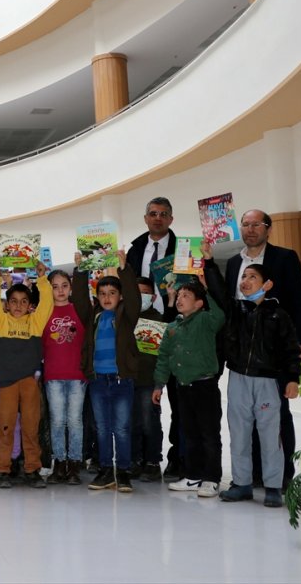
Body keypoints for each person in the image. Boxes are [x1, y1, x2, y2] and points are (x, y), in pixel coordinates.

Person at [224, 209, 301, 485]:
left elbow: (298, 301)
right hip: (242, 353)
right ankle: (253, 476)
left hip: (274, 350)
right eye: (245, 225)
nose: (250, 229)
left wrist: (299, 342)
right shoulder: (234, 262)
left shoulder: (284, 258)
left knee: (277, 415)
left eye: (256, 224)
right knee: (245, 417)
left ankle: (281, 476)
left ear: (267, 228)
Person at [211, 261, 301, 508]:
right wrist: (209, 262)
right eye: (244, 276)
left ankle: (273, 486)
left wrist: (293, 378)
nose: (246, 281)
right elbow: (219, 291)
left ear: (267, 284)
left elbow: (291, 351)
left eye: (252, 277)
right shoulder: (236, 310)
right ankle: (242, 484)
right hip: (238, 379)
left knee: (270, 434)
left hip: (268, 381)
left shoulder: (278, 315)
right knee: (239, 433)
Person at [153, 249, 226, 499]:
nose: (181, 298)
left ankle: (212, 478)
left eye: (187, 295)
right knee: (189, 433)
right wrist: (159, 385)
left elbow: (220, 316)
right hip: (183, 387)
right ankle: (193, 475)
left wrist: (207, 290)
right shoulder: (172, 327)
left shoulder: (206, 320)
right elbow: (163, 358)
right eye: (180, 295)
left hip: (204, 387)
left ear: (199, 303)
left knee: (208, 434)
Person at [125, 196, 182, 481]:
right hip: (141, 333)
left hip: (173, 327)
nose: (158, 218)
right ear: (145, 218)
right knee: (144, 406)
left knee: (179, 407)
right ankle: (141, 459)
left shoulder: (183, 250)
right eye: (153, 213)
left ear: (171, 219)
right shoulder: (136, 249)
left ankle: (175, 460)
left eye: (163, 214)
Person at [73, 250, 139, 493]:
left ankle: (123, 471)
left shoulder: (126, 315)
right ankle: (104, 470)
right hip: (98, 381)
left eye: (112, 293)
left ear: (120, 296)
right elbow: (79, 299)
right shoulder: (93, 316)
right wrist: (80, 272)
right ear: (97, 297)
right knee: (101, 427)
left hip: (122, 381)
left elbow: (134, 299)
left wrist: (124, 269)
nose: (107, 297)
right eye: (102, 294)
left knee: (121, 428)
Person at [0, 263, 52, 489]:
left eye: (23, 302)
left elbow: (47, 305)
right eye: (13, 301)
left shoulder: (35, 323)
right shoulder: (2, 322)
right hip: (6, 383)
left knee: (30, 426)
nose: (18, 305)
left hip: (29, 383)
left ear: (29, 305)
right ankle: (2, 469)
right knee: (5, 426)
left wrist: (43, 280)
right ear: (7, 304)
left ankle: (32, 469)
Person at [41, 269, 87, 485]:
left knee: (75, 421)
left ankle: (75, 464)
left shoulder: (79, 309)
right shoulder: (44, 311)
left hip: (77, 375)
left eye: (64, 286)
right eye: (55, 286)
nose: (60, 290)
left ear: (71, 287)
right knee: (57, 421)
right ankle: (59, 463)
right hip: (53, 376)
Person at [131, 277, 176, 482]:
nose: (141, 297)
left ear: (154, 296)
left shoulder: (158, 320)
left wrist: (160, 382)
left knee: (149, 422)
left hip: (149, 381)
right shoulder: (124, 316)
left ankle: (152, 461)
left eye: (146, 293)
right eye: (137, 292)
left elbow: (165, 353)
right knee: (131, 423)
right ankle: (134, 460)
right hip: (126, 380)